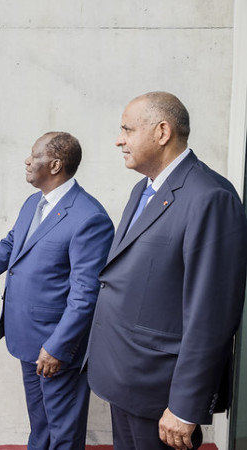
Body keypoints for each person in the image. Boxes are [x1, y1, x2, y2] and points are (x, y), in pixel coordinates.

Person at [85, 91, 247, 450]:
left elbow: (212, 314)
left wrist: (185, 406)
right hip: (125, 377)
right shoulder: (142, 189)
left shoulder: (210, 197)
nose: (118, 140)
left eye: (127, 129)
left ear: (162, 132)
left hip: (160, 391)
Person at [0, 132, 114, 450]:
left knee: (63, 432)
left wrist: (57, 347)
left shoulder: (89, 218)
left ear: (55, 164)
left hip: (57, 346)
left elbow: (86, 293)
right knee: (40, 424)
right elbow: (13, 244)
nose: (27, 161)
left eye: (33, 155)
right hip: (26, 338)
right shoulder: (33, 203)